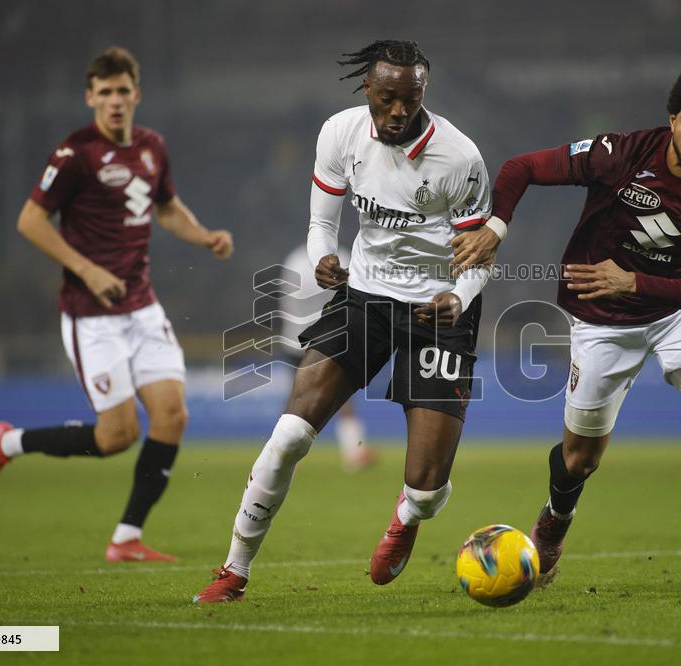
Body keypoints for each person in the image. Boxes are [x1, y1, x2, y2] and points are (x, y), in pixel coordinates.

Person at [193, 40, 499, 603]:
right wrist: (322, 258)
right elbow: (321, 223)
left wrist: (460, 295)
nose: (398, 111)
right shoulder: (340, 133)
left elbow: (480, 255)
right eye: (387, 99)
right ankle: (234, 571)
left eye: (410, 99)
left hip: (439, 311)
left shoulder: (460, 158)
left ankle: (406, 517)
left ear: (423, 92)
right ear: (368, 90)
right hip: (365, 298)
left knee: (427, 491)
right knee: (289, 435)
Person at [456, 64, 681, 598]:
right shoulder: (620, 154)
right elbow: (521, 167)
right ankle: (556, 517)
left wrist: (633, 279)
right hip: (603, 316)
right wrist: (496, 227)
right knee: (580, 459)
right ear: (673, 120)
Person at [0, 46, 233, 562]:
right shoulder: (75, 154)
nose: (115, 101)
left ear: (137, 95)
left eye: (122, 91)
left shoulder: (152, 147)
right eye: (105, 92)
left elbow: (166, 207)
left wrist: (203, 236)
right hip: (91, 317)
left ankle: (126, 537)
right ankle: (7, 442)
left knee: (172, 416)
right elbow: (30, 220)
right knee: (117, 437)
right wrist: (87, 270)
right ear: (90, 97)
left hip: (143, 308)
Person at [279, 244, 376, 471]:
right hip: (325, 336)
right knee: (340, 396)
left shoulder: (294, 260)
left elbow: (287, 301)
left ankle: (281, 454)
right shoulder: (342, 257)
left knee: (297, 397)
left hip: (295, 338)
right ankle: (353, 451)